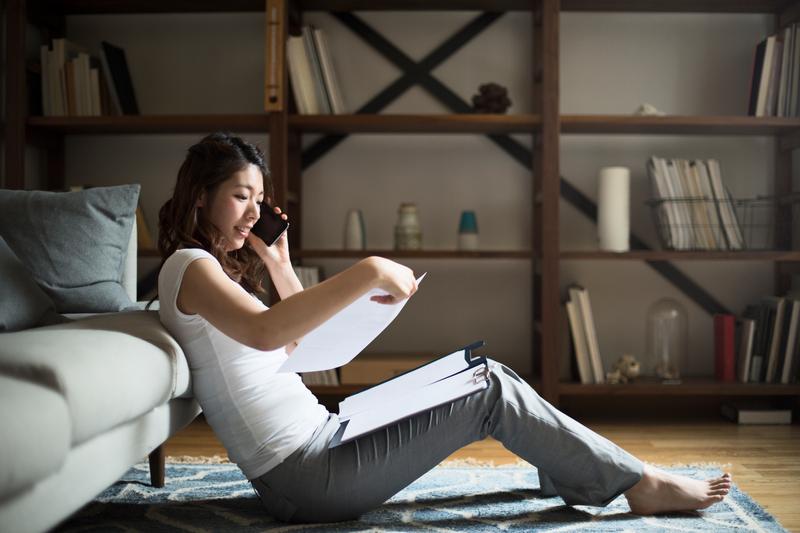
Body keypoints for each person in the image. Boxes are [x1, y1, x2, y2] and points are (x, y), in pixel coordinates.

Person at [152, 132, 732, 524]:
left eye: (258, 197)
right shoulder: (189, 267)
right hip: (304, 477)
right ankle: (637, 484)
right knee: (490, 393)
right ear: (201, 199)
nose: (253, 212)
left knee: (481, 373)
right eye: (239, 197)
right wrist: (370, 270)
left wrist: (279, 263)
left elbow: (300, 347)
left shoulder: (222, 273)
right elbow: (263, 333)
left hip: (324, 439)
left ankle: (583, 476)